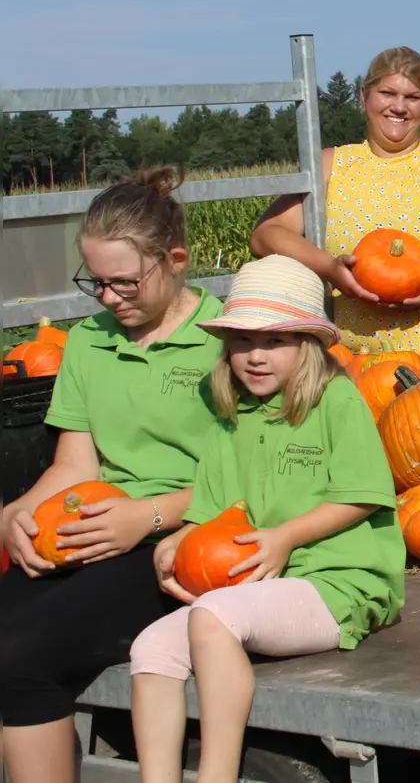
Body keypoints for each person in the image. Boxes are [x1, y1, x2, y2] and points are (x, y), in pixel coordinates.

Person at [128, 254, 404, 783]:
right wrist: (177, 544)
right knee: (151, 649)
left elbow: (364, 495)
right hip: (265, 585)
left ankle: (217, 775)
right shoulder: (230, 415)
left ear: (309, 345)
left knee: (213, 617)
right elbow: (213, 512)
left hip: (337, 582)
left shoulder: (335, 400)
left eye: (275, 342)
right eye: (241, 342)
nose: (255, 357)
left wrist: (286, 537)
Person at [0, 168, 223, 783]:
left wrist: (146, 517)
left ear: (176, 260)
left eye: (123, 282)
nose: (107, 299)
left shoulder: (229, 341)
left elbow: (252, 477)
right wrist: (13, 519)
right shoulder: (87, 343)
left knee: (20, 655)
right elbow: (74, 466)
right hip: (93, 531)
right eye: (94, 283)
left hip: (182, 544)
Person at [251, 46, 420, 354]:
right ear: (363, 97)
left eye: (412, 97)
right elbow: (265, 235)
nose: (399, 107)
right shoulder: (330, 165)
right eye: (387, 93)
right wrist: (330, 268)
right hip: (346, 360)